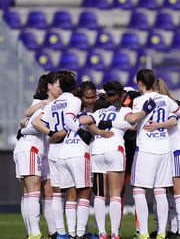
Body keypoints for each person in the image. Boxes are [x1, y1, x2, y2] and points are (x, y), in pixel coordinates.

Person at [124, 69, 180, 239]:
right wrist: (160, 125)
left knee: (139, 189)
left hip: (146, 148)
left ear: (139, 82)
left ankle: (144, 232)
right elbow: (177, 119)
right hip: (164, 149)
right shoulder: (167, 99)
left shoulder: (139, 101)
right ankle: (161, 232)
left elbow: (132, 121)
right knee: (160, 191)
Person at [32, 70, 96, 239]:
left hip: (54, 152)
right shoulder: (74, 101)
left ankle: (61, 233)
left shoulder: (52, 104)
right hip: (70, 146)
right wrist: (70, 131)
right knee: (81, 191)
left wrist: (50, 134)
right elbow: (70, 119)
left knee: (58, 194)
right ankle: (79, 232)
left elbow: (35, 121)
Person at [80, 81, 134, 239]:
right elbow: (134, 122)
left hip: (97, 152)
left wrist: (95, 127)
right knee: (115, 195)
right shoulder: (125, 110)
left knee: (99, 195)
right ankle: (115, 234)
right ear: (121, 95)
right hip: (114, 150)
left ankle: (102, 233)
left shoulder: (99, 112)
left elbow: (83, 120)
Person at [13, 73, 63, 239]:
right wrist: (51, 133)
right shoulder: (44, 103)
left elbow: (26, 117)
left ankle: (51, 232)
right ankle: (34, 234)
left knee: (43, 192)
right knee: (32, 193)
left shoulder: (46, 103)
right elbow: (32, 123)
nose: (60, 88)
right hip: (31, 148)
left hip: (37, 150)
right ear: (49, 86)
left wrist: (23, 127)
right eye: (58, 85)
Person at [146, 78, 180, 239]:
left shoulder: (163, 105)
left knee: (178, 193)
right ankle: (179, 230)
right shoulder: (175, 104)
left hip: (177, 151)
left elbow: (173, 122)